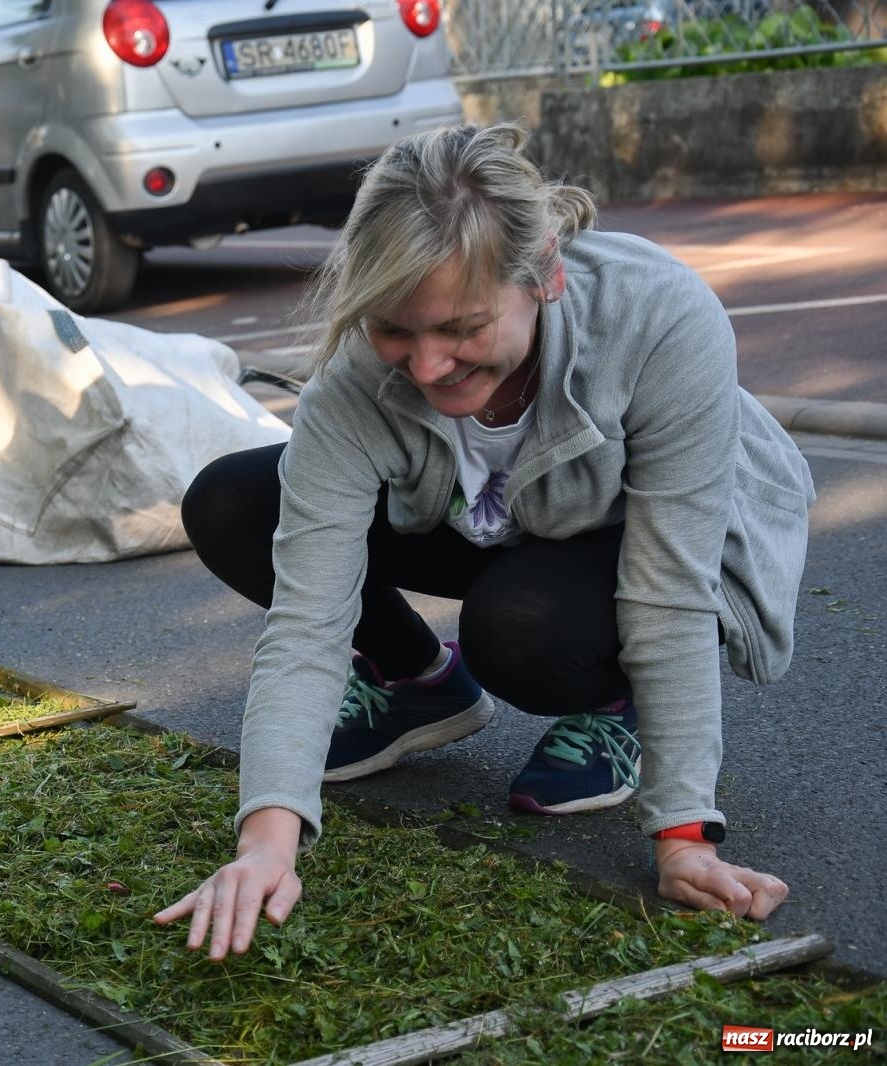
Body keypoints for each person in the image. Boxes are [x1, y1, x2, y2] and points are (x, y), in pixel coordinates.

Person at [155, 123, 814, 959]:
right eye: (397, 329)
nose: (427, 368)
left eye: (461, 329)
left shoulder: (659, 319)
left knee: (521, 626)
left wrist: (684, 837)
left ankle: (621, 710)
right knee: (234, 500)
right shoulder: (361, 380)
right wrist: (267, 842)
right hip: (502, 518)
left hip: (642, 537)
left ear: (543, 273)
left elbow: (669, 590)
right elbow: (307, 621)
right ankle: (419, 684)